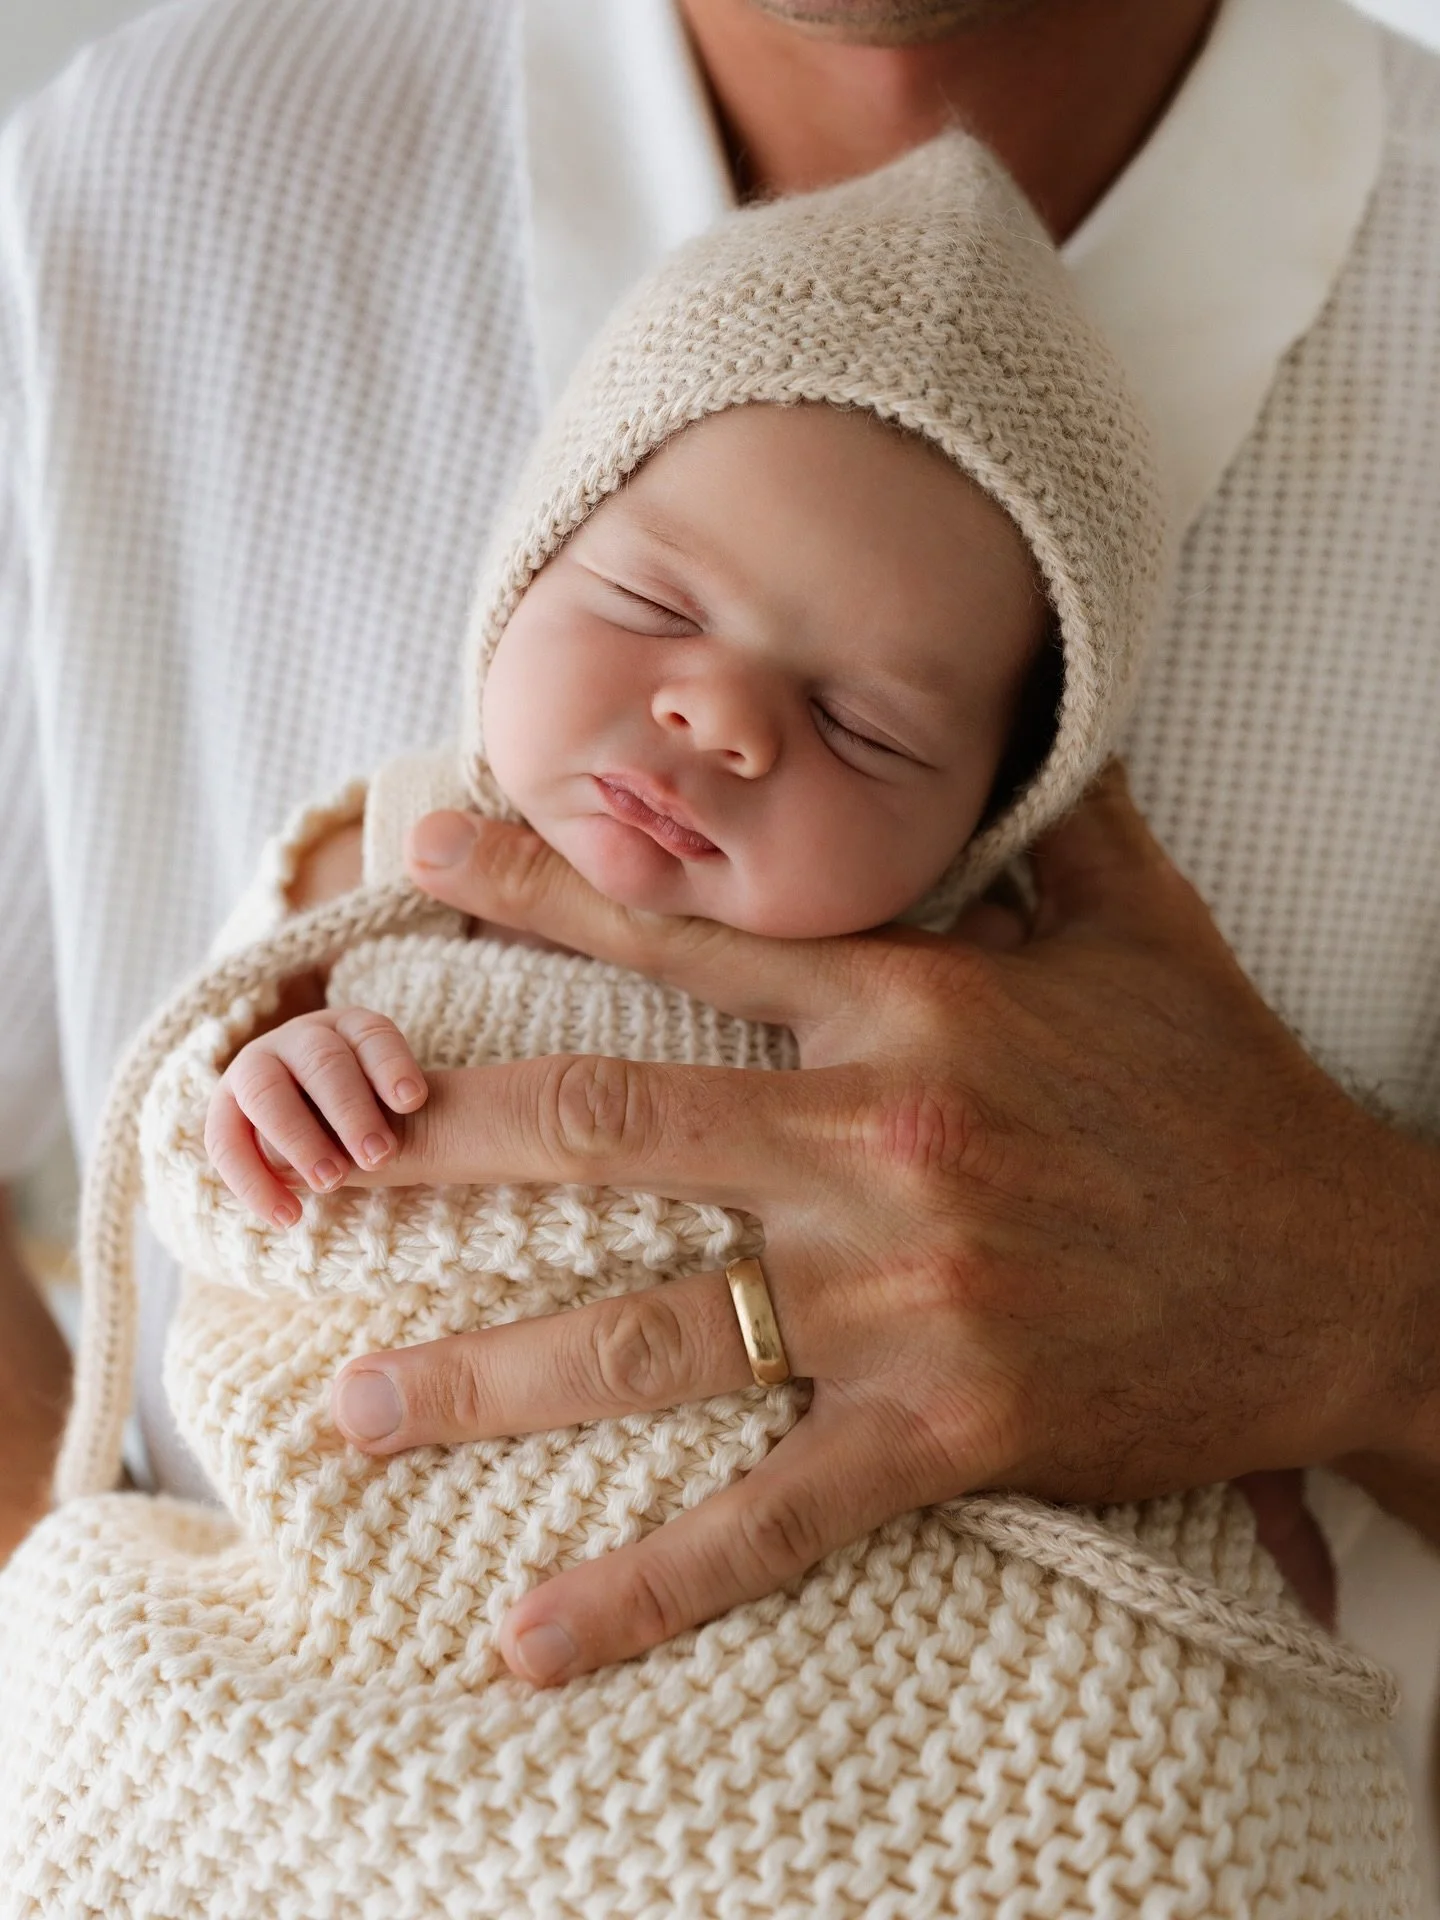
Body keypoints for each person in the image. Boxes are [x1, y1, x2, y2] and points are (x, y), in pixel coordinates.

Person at [1, 0, 1438, 1884]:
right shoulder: (143, 178)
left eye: (867, 732)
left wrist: (1367, 1317)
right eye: (647, 601)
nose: (718, 728)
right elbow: (197, 1155)